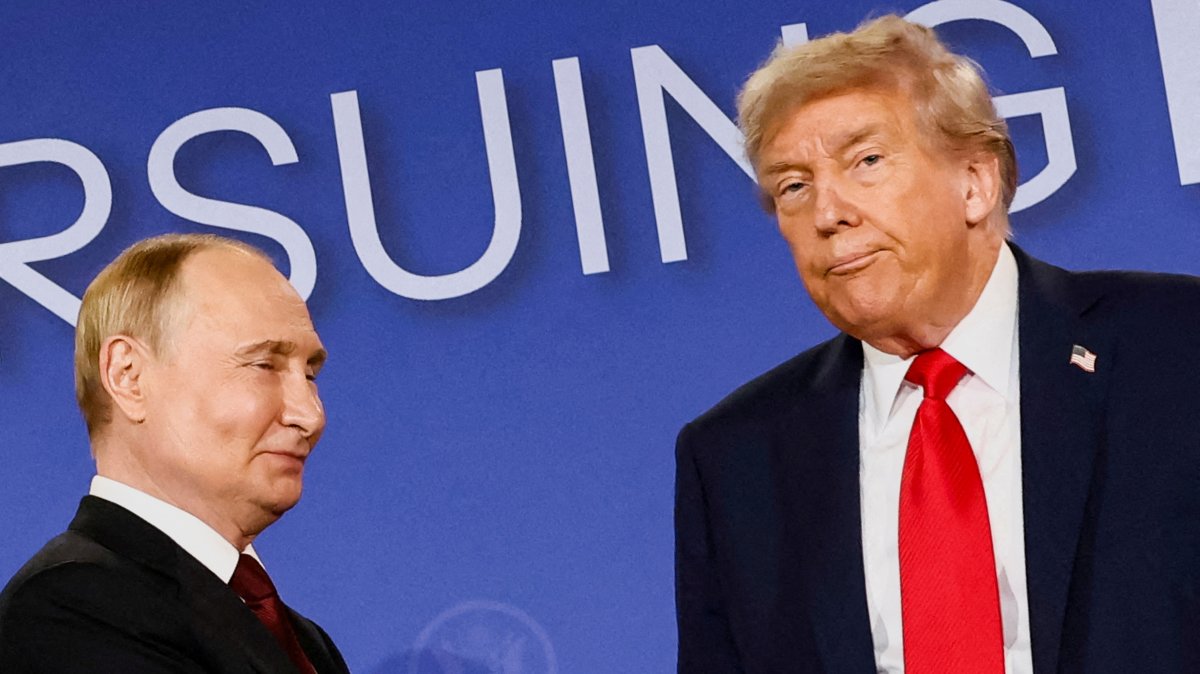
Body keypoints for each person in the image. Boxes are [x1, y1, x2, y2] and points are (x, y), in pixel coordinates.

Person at [675, 15, 1200, 674]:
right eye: (793, 186)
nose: (827, 213)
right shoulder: (737, 458)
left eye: (865, 160)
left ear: (974, 182)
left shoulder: (1176, 348)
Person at [0, 234, 350, 673]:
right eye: (264, 365)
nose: (310, 415)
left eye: (311, 373)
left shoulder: (306, 641)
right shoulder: (71, 609)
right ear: (129, 376)